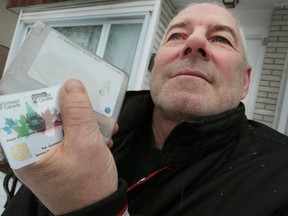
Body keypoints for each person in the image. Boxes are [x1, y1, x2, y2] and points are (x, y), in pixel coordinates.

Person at [2, 2, 288, 216]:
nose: (195, 42)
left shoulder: (279, 179)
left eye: (221, 39)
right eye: (176, 35)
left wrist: (90, 206)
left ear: (245, 81)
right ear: (155, 68)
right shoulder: (82, 132)